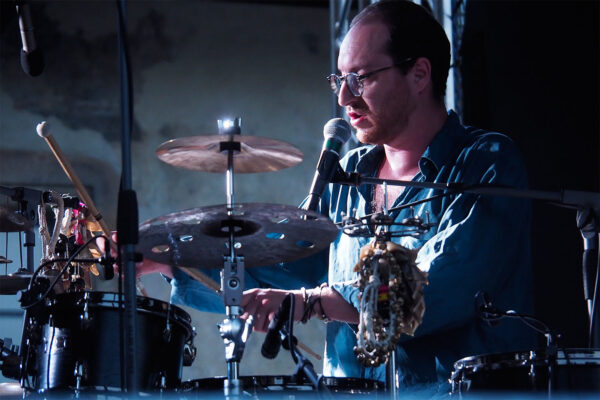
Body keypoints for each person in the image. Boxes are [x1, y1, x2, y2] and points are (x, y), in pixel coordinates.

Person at [131, 0, 535, 392]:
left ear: (419, 75)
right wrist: (169, 260)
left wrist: (310, 302)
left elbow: (438, 285)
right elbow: (280, 269)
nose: (344, 98)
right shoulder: (350, 176)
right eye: (339, 80)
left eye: (361, 78)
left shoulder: (486, 162)